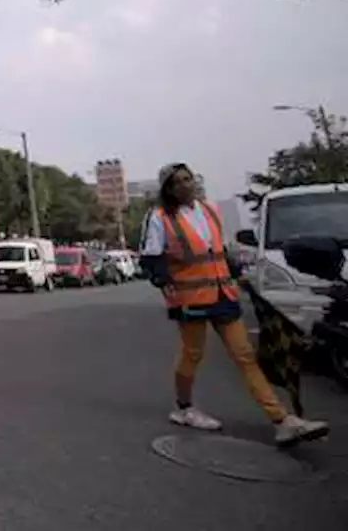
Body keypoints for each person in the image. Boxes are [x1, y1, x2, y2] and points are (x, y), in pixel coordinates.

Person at [140, 162, 328, 447]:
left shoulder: (209, 210)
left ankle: (282, 420)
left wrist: (237, 275)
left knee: (245, 356)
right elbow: (150, 256)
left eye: (188, 179)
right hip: (189, 298)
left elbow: (221, 251)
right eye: (177, 182)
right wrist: (161, 279)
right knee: (192, 354)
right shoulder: (160, 217)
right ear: (168, 189)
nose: (185, 185)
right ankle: (184, 408)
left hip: (223, 294)